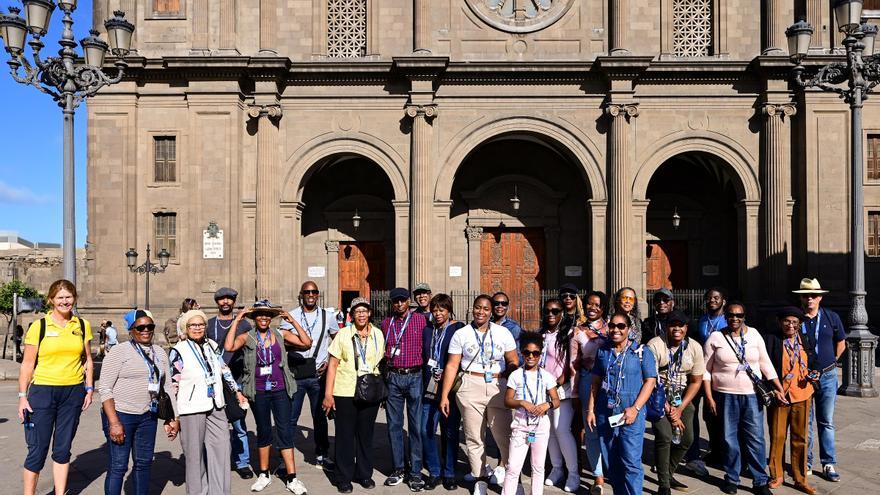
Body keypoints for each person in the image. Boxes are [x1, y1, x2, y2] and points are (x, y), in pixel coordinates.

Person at [225, 300, 312, 494]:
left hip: (281, 390)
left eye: (267, 314)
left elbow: (307, 343)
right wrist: (238, 319)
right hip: (259, 391)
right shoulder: (247, 337)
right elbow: (229, 346)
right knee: (263, 431)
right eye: (259, 314)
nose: (263, 317)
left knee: (285, 431)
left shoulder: (281, 334)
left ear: (271, 317)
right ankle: (264, 474)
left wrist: (293, 320)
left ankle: (292, 478)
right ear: (254, 318)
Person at [18, 279, 94, 495]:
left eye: (68, 297)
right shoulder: (39, 327)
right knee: (37, 450)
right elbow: (27, 364)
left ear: (74, 299)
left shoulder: (81, 325)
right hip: (42, 392)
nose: (64, 301)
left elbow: (87, 359)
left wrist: (89, 388)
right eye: (60, 297)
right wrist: (23, 396)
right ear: (51, 300)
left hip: (72, 392)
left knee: (62, 449)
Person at [439, 294, 519, 495]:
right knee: (474, 437)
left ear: (491, 312)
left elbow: (513, 359)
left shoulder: (503, 333)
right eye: (477, 308)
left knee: (504, 435)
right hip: (470, 385)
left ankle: (511, 478)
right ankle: (480, 478)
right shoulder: (462, 334)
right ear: (472, 309)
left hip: (498, 386)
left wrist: (510, 370)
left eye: (485, 308)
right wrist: (444, 395)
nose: (480, 312)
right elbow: (452, 365)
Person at [703, 301, 786, 495]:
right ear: (726, 317)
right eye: (731, 315)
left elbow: (765, 363)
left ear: (744, 317)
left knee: (755, 438)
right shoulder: (716, 337)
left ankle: (760, 481)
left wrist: (778, 387)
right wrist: (709, 397)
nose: (734, 319)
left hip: (751, 395)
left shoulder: (755, 335)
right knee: (729, 438)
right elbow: (705, 371)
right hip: (725, 395)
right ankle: (732, 478)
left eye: (739, 315)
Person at [99, 309, 179, 495]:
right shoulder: (119, 351)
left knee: (143, 464)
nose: (146, 330)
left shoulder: (159, 352)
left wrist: (173, 417)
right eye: (140, 327)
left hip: (147, 416)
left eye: (150, 326)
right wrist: (114, 423)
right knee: (118, 466)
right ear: (131, 330)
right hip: (121, 415)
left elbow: (167, 387)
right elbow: (105, 389)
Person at [170, 309, 247, 495]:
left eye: (201, 324)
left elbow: (224, 368)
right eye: (193, 325)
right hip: (191, 407)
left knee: (222, 450)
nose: (197, 328)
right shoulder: (178, 350)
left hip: (216, 404)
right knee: (194, 457)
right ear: (186, 328)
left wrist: (237, 392)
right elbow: (174, 384)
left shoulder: (212, 344)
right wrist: (175, 416)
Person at [586, 311, 657, 495]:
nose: (615, 329)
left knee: (631, 460)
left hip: (631, 412)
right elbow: (595, 382)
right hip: (605, 410)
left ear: (629, 329)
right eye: (612, 326)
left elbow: (650, 381)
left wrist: (636, 408)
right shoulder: (603, 350)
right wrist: (591, 409)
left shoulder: (641, 352)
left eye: (620, 326)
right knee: (611, 459)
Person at [322, 297, 386, 494]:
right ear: (351, 314)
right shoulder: (343, 334)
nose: (361, 314)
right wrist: (328, 394)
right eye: (357, 311)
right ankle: (343, 477)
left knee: (366, 435)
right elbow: (332, 365)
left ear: (369, 313)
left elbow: (380, 362)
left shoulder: (378, 334)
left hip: (370, 391)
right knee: (345, 436)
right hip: (345, 392)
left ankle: (364, 474)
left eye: (364, 310)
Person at [645, 310, 705, 495]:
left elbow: (696, 381)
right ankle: (664, 484)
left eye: (681, 325)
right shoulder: (655, 345)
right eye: (673, 325)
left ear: (686, 328)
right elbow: (651, 379)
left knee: (687, 439)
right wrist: (669, 409)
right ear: (666, 327)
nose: (676, 329)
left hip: (681, 397)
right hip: (658, 397)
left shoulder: (694, 347)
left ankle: (668, 472)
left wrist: (680, 408)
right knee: (664, 435)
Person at [280, 281, 339, 468]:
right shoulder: (291, 316)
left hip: (318, 375)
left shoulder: (327, 316)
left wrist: (330, 361)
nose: (311, 295)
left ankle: (322, 454)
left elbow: (337, 340)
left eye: (314, 292)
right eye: (307, 292)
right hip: (296, 373)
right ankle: (285, 458)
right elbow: (283, 340)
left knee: (320, 416)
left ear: (318, 294)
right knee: (290, 417)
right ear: (301, 294)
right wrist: (299, 343)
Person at [794, 277, 846, 481]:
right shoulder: (796, 319)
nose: (810, 299)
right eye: (806, 296)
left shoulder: (831, 317)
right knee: (804, 422)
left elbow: (841, 341)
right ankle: (805, 462)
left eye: (814, 296)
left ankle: (828, 463)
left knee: (826, 421)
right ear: (801, 298)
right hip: (804, 378)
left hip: (827, 375)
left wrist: (832, 361)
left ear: (820, 298)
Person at [764, 307, 819, 495]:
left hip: (802, 393)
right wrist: (772, 390)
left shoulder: (805, 339)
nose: (791, 325)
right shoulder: (772, 339)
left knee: (800, 438)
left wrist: (815, 372)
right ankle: (776, 474)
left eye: (795, 322)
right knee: (778, 436)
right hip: (780, 395)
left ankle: (800, 478)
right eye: (787, 321)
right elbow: (765, 367)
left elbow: (814, 360)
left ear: (799, 325)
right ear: (780, 322)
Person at [380, 287, 428, 490]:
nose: (399, 304)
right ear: (392, 303)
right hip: (393, 377)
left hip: (415, 376)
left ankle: (416, 471)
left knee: (416, 426)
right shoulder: (386, 323)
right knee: (394, 426)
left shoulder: (421, 320)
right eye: (395, 301)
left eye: (402, 300)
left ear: (409, 301)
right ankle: (399, 467)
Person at [502, 332, 561, 495]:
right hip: (520, 426)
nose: (531, 356)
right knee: (513, 467)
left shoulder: (547, 377)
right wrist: (521, 402)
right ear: (522, 353)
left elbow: (556, 401)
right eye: (527, 352)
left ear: (540, 355)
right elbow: (507, 401)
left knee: (538, 467)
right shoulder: (515, 375)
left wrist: (546, 405)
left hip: (540, 427)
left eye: (535, 353)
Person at [206, 287, 254, 479]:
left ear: (234, 301)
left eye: (229, 299)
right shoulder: (209, 324)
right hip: (215, 382)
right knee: (214, 424)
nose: (225, 302)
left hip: (238, 381)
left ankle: (242, 462)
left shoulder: (245, 325)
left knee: (239, 424)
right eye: (221, 299)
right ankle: (216, 461)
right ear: (217, 302)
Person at [421, 293, 466, 490]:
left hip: (450, 390)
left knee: (450, 432)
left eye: (442, 310)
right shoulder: (427, 330)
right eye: (435, 310)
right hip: (429, 388)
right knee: (426, 430)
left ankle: (449, 473)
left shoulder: (458, 329)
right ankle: (434, 471)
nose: (438, 313)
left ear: (449, 310)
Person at [539, 298, 579, 492]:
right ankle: (556, 469)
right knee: (549, 432)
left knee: (561, 429)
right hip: (541, 391)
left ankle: (573, 473)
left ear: (562, 313)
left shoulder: (568, 335)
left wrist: (556, 383)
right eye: (547, 311)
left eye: (555, 311)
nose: (551, 314)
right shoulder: (541, 335)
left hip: (561, 389)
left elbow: (571, 364)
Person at [687, 287, 727, 474]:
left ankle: (719, 451)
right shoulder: (702, 320)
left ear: (723, 301)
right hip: (699, 372)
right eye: (710, 297)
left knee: (715, 414)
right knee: (699, 413)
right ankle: (698, 450)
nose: (712, 300)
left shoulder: (728, 320)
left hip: (718, 373)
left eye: (716, 297)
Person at [572, 290, 609, 495]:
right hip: (587, 381)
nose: (592, 308)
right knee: (592, 429)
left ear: (603, 308)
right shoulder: (577, 331)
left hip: (611, 382)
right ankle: (598, 477)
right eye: (589, 304)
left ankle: (612, 465)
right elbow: (573, 365)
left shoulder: (613, 328)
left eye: (597, 305)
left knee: (611, 427)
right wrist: (576, 393)